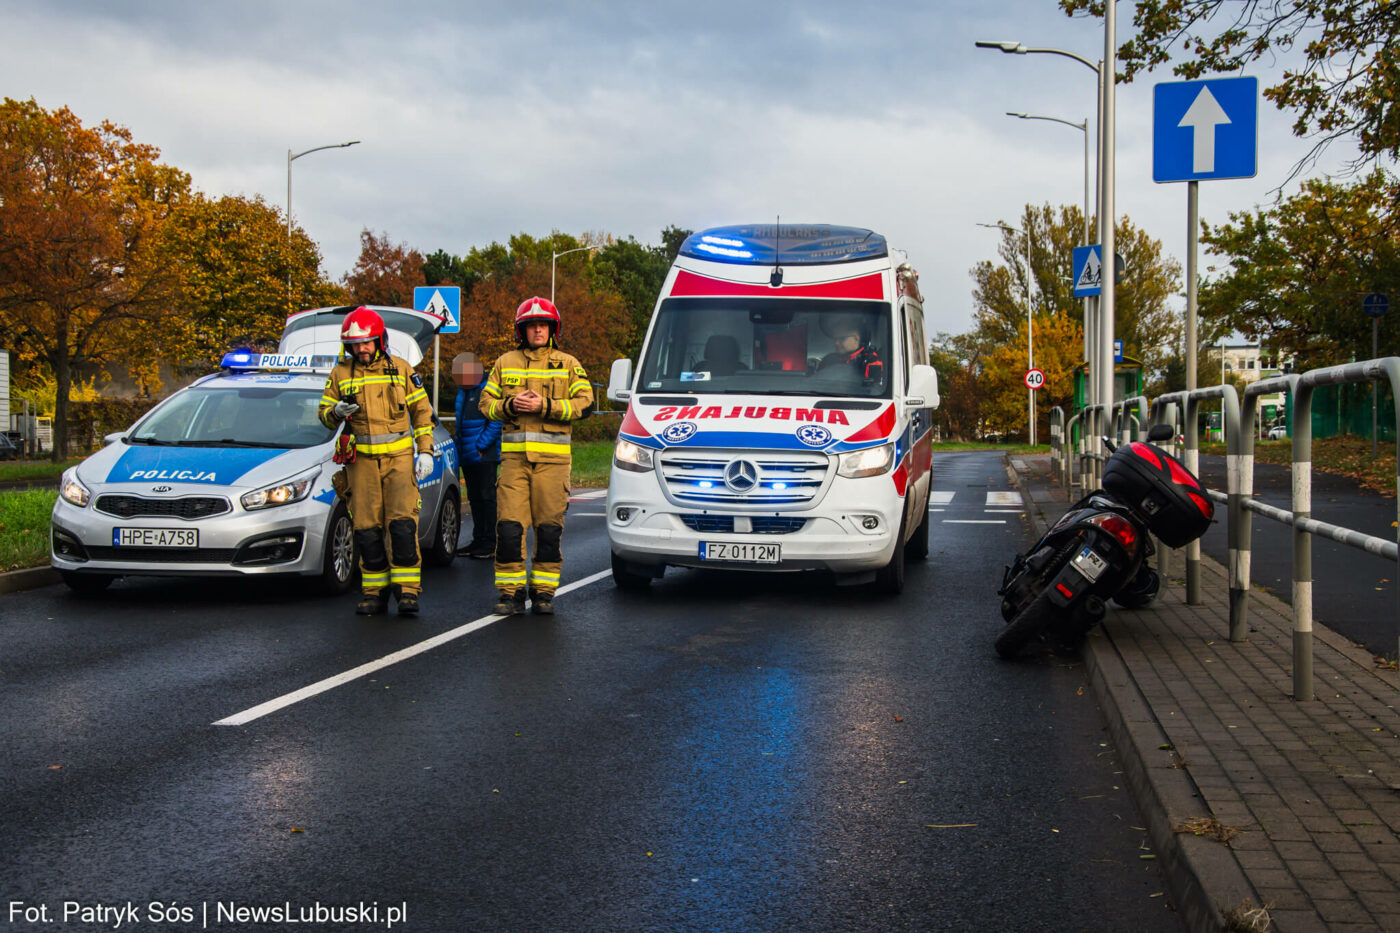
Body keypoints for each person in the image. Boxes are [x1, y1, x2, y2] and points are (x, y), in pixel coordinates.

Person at [479, 296, 594, 616]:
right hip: (514, 463)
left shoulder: (568, 364)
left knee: (548, 530)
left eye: (544, 325)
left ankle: (543, 593)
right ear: (522, 330)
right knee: (509, 529)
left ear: (553, 329)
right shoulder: (505, 362)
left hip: (553, 464)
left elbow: (586, 404)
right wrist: (509, 405)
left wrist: (546, 406)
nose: (538, 330)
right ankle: (511, 593)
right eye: (532, 326)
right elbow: (485, 404)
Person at [318, 306, 436, 616]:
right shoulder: (340, 374)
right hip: (362, 465)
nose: (361, 349)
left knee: (402, 528)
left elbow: (422, 413)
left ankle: (407, 592)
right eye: (355, 344)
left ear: (379, 340)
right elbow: (324, 416)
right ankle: (374, 593)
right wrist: (335, 412)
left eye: (367, 342)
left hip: (399, 462)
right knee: (366, 530)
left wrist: (425, 450)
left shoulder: (401, 369)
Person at [452, 351, 501, 559]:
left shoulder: (487, 390)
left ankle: (490, 542)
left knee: (487, 497)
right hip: (467, 455)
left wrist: (481, 445)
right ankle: (478, 539)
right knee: (474, 498)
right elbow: (460, 423)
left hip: (484, 455)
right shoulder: (463, 392)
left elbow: (496, 421)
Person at [817, 315, 884, 383]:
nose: (836, 343)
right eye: (835, 339)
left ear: (856, 339)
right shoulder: (828, 360)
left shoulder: (873, 361)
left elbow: (875, 386)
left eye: (842, 339)